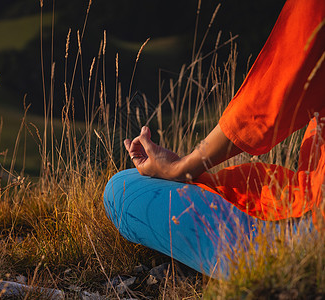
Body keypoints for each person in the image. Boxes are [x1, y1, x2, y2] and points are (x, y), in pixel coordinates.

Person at [103, 0, 325, 278]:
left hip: (311, 227)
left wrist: (183, 167)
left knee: (122, 190)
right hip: (308, 203)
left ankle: (277, 266)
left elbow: (275, 90)